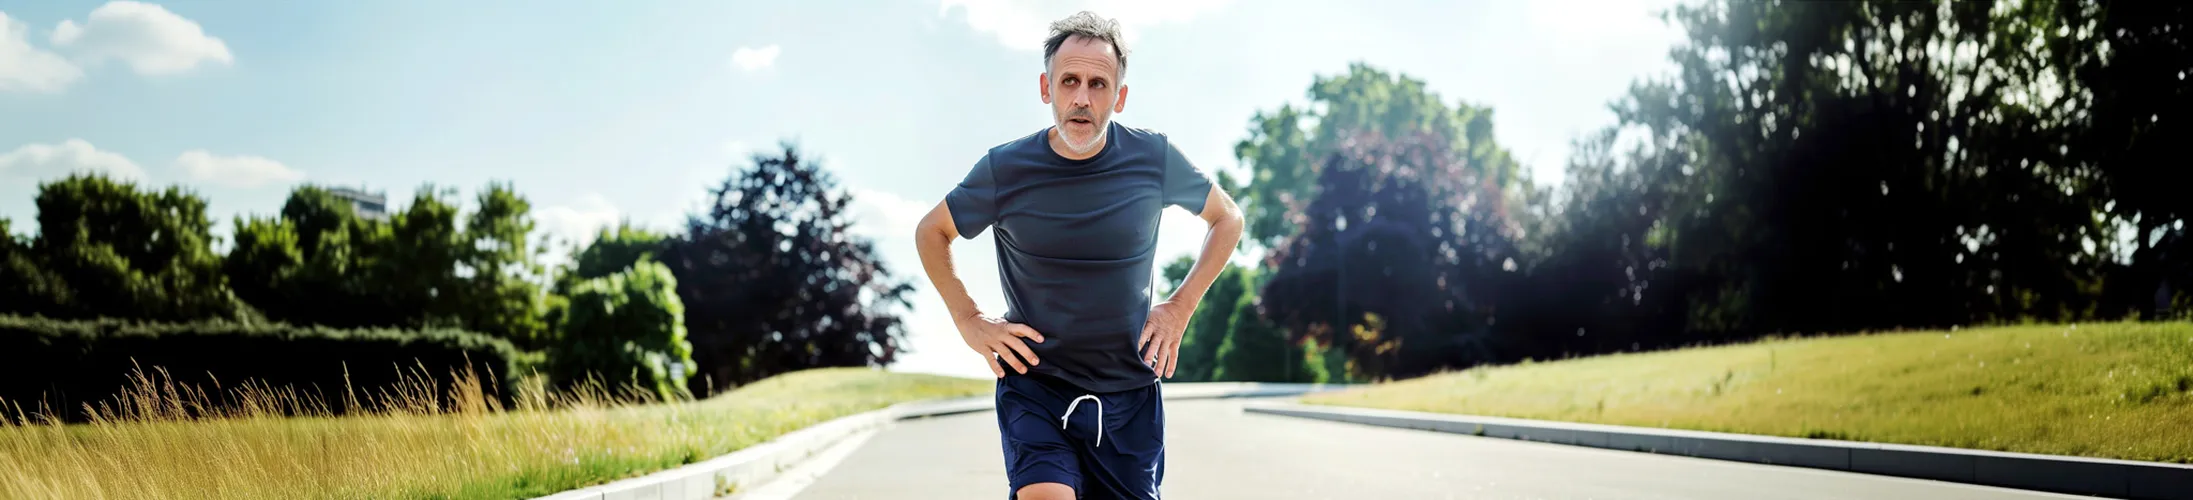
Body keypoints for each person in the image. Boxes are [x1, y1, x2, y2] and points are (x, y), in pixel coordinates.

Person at [912, 10, 1245, 500]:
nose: (1082, 98)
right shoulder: (1005, 168)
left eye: (1098, 84)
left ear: (1120, 97)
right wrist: (970, 320)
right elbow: (931, 231)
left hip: (1129, 393)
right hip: (1036, 385)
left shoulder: (1152, 158)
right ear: (1046, 89)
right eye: (1069, 81)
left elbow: (1227, 218)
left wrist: (1180, 307)